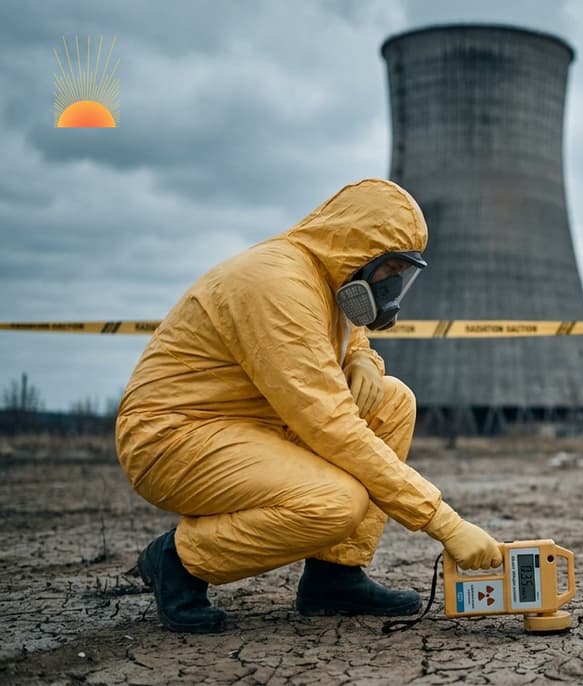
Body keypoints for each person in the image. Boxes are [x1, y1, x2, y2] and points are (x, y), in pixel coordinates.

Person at [115, 179, 502, 634]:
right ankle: (178, 562)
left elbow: (349, 332)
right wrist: (445, 523)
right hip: (174, 437)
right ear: (359, 250)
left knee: (392, 400)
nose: (393, 283)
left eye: (402, 270)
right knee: (336, 504)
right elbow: (332, 427)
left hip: (252, 425)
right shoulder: (276, 285)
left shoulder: (327, 277)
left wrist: (363, 360)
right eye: (390, 268)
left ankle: (334, 577)